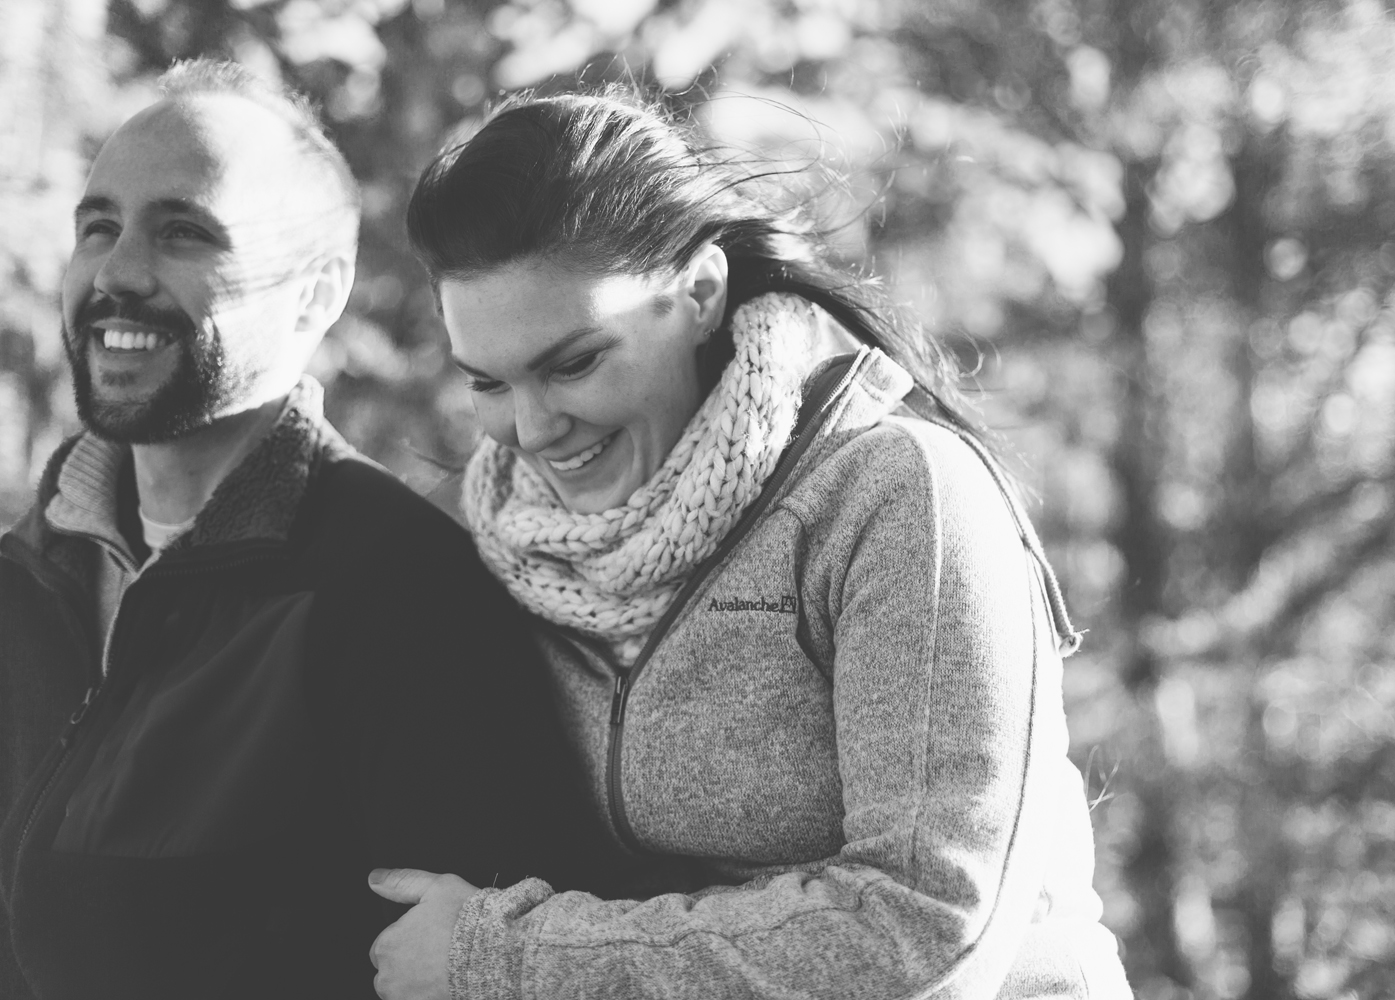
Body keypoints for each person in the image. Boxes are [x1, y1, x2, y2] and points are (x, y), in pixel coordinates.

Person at [366, 90, 1134, 1000]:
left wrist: (508, 958)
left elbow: (927, 931)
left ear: (698, 294)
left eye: (574, 364)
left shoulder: (894, 497)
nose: (530, 430)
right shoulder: (498, 541)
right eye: (487, 382)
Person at [0, 61, 618, 1000]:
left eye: (183, 232)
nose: (118, 272)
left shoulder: (405, 594)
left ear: (317, 292)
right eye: (98, 226)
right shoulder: (21, 579)